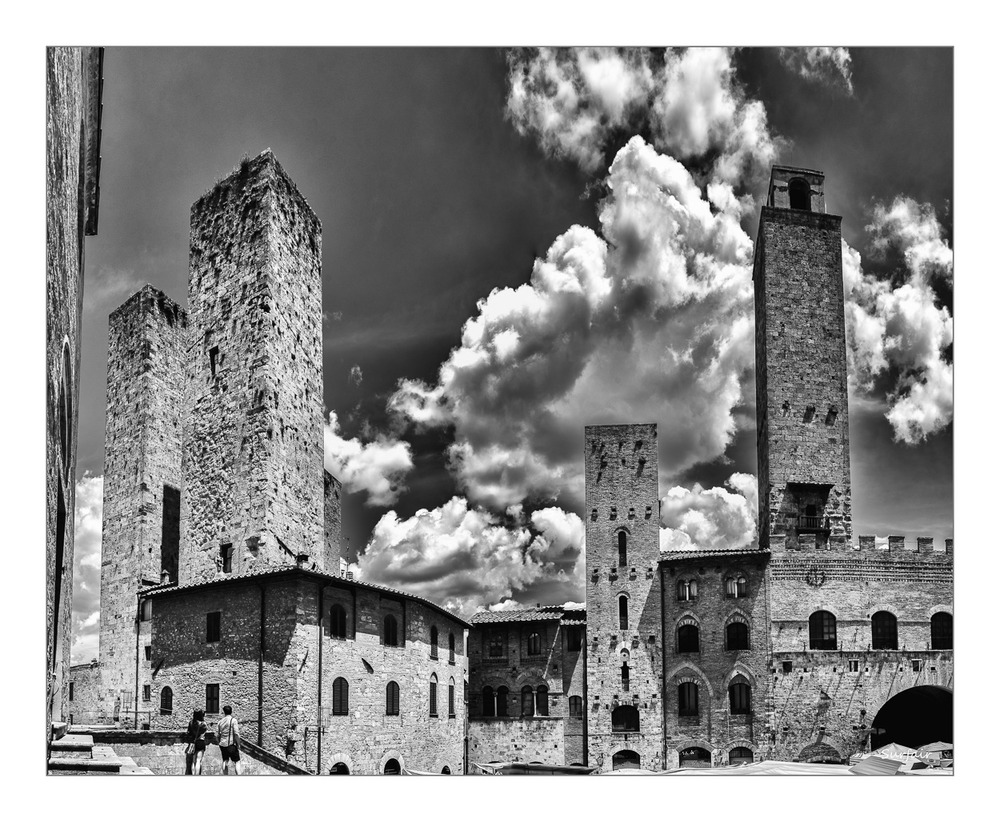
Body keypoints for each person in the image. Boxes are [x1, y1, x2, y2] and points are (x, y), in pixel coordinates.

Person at [217, 705, 242, 775]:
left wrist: (219, 742)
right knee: (237, 761)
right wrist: (238, 744)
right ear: (231, 711)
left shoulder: (220, 722)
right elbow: (236, 734)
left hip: (222, 745)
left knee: (225, 760)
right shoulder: (233, 720)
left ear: (224, 712)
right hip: (231, 744)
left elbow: (217, 735)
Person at [185, 709, 207, 775]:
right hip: (200, 742)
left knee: (193, 761)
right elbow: (204, 732)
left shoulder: (191, 722)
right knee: (198, 761)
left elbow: (188, 732)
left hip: (192, 743)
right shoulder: (203, 723)